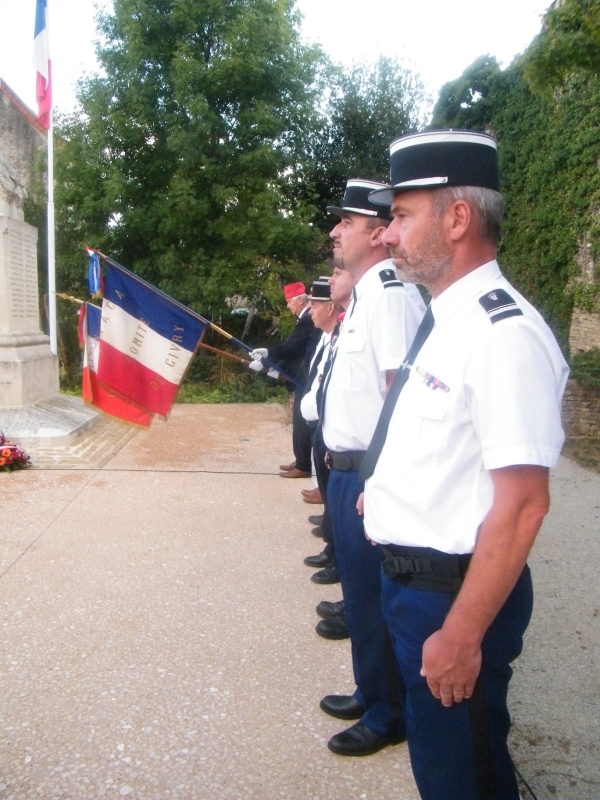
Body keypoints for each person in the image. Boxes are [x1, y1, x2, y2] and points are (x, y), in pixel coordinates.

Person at [360, 130, 569, 799]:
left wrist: (462, 633)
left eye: (400, 214)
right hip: (415, 590)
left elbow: (524, 504)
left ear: (456, 218)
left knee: (464, 781)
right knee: (440, 769)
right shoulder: (447, 321)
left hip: (451, 601)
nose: (387, 235)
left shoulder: (501, 334)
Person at [319, 179, 426, 756]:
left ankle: (390, 713)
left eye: (348, 222)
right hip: (344, 468)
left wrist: (381, 482)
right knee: (360, 598)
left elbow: (396, 401)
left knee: (376, 601)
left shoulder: (389, 295)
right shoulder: (363, 295)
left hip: (367, 472)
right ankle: (372, 690)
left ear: (378, 235)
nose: (336, 231)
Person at [300, 278, 348, 586]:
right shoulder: (326, 337)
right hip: (321, 425)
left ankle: (336, 556)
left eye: (314, 305)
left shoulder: (340, 335)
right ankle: (333, 548)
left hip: (332, 428)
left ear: (330, 306)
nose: (310, 311)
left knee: (336, 500)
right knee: (331, 498)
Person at [249, 282, 320, 478]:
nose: (288, 307)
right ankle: (300, 460)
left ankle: (304, 465)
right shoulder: (304, 318)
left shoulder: (307, 319)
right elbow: (293, 351)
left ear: (299, 300)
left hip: (306, 377)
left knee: (301, 421)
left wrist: (267, 356)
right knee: (298, 421)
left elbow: (292, 348)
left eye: (289, 302)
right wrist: (268, 365)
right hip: (301, 374)